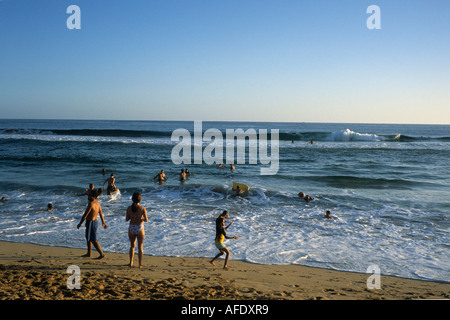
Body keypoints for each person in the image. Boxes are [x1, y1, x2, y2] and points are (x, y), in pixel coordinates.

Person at [77, 188, 108, 259]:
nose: (88, 196)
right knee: (88, 238)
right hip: (94, 222)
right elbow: (101, 213)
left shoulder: (91, 204)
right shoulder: (97, 203)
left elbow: (85, 215)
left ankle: (102, 254)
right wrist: (103, 222)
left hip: (91, 223)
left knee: (93, 240)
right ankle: (89, 253)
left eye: (90, 195)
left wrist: (80, 223)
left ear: (93, 196)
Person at [126, 192, 148, 268]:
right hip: (139, 227)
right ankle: (140, 264)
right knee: (140, 246)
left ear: (132, 199)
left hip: (131, 227)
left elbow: (127, 219)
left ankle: (131, 262)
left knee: (132, 246)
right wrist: (141, 218)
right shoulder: (142, 208)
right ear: (140, 200)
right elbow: (146, 220)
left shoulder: (129, 208)